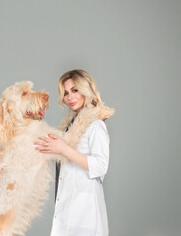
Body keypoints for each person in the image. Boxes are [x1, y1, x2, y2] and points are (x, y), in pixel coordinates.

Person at [34, 69, 114, 236]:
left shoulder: (95, 125)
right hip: (66, 212)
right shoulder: (70, 126)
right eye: (65, 93)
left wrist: (64, 149)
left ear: (86, 89)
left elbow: (100, 166)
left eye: (75, 90)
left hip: (86, 216)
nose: (69, 97)